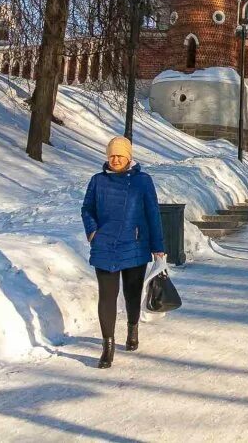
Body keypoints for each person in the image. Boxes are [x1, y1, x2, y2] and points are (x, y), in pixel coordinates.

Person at [81, 136, 165, 369]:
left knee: (131, 292)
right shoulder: (97, 181)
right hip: (105, 245)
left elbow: (153, 213)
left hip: (135, 245)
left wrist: (158, 248)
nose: (116, 159)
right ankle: (107, 345)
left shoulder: (142, 181)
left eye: (120, 155)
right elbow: (87, 208)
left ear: (129, 157)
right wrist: (92, 233)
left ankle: (132, 326)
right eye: (112, 155)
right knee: (107, 296)